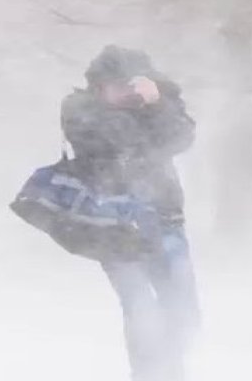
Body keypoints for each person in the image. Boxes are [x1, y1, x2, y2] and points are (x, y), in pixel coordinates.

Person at [61, 45, 199, 381]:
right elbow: (115, 141)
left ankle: (172, 373)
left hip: (164, 217)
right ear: (99, 85)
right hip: (113, 224)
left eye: (133, 84)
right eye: (119, 84)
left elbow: (179, 138)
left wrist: (157, 104)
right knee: (141, 308)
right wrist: (144, 111)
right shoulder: (79, 108)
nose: (127, 91)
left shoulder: (160, 105)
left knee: (183, 308)